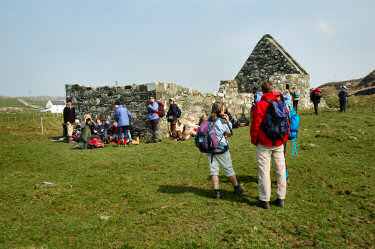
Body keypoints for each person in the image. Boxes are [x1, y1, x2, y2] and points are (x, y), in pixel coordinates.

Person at [250, 81, 289, 209]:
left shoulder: (260, 105)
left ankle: (264, 199)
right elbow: (286, 121)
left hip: (264, 142)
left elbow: (255, 125)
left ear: (262, 91)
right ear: (272, 90)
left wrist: (254, 140)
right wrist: (284, 138)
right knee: (281, 170)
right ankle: (281, 197)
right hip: (279, 141)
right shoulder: (281, 103)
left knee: (264, 171)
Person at [206, 102, 243, 199]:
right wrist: (228, 121)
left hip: (210, 149)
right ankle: (236, 188)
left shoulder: (208, 120)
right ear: (221, 111)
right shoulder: (222, 121)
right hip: (222, 149)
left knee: (214, 171)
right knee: (228, 169)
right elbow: (229, 133)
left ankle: (217, 192)